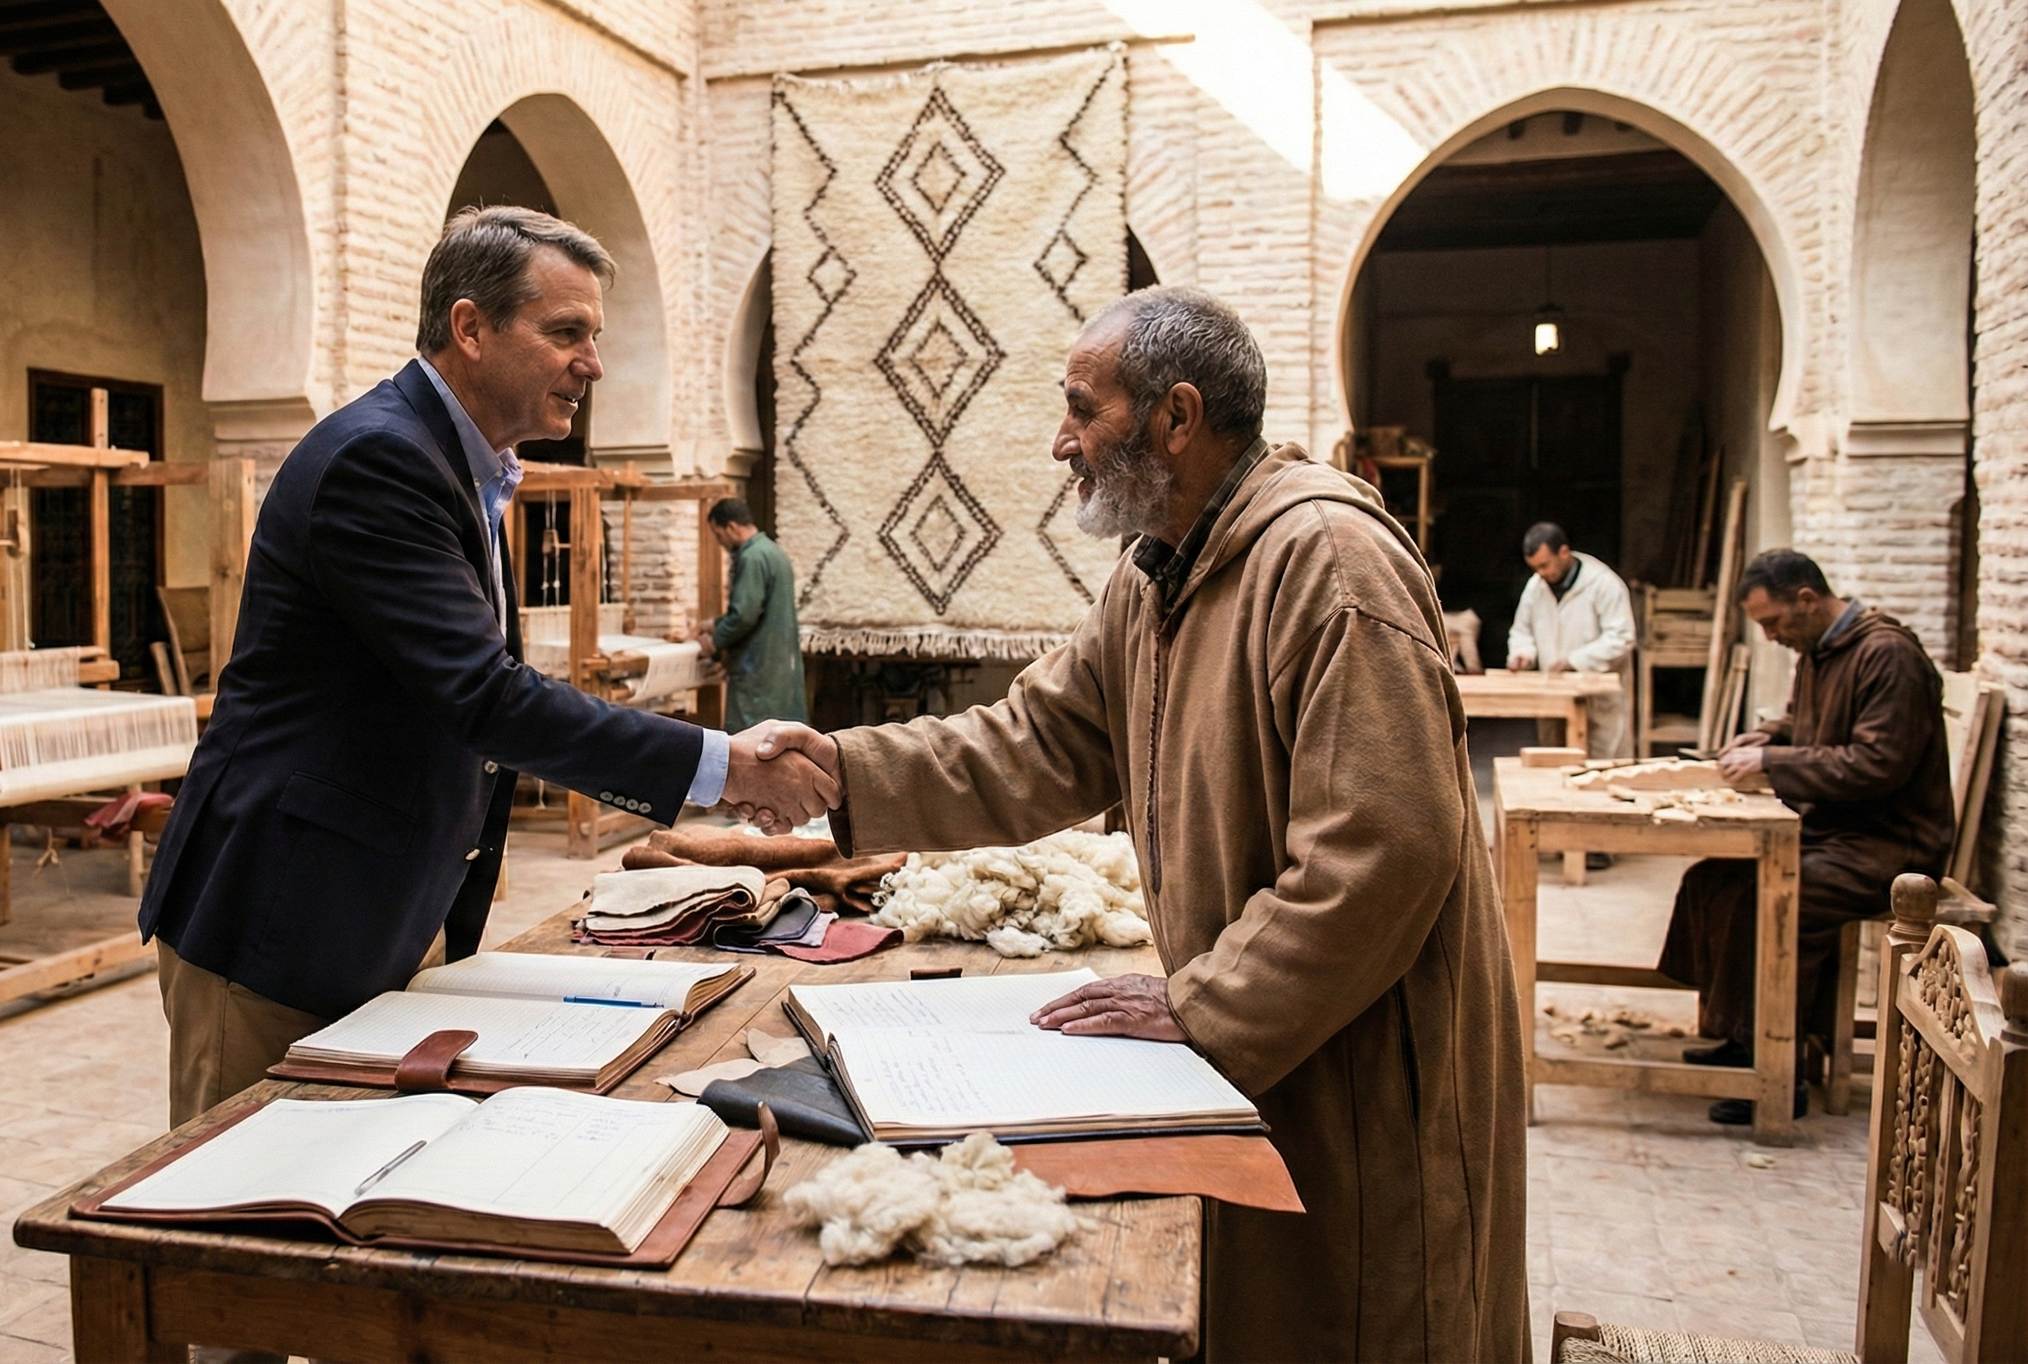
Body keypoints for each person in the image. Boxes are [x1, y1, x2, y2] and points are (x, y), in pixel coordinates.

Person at [747, 286, 1527, 1362]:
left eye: (1083, 409)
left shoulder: (1324, 562)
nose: (1061, 442)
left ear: (1176, 417)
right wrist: (841, 769)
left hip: (1362, 1068)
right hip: (1269, 1045)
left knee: (1368, 1311)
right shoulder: (1156, 570)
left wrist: (1206, 1000)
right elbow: (1037, 741)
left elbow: (1385, 848)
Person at [137, 206, 833, 1126]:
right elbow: (483, 694)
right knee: (238, 1206)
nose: (591, 362)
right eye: (565, 333)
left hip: (370, 903)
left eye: (595, 336)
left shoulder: (459, 462)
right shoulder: (381, 459)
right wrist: (723, 766)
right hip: (282, 917)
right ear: (470, 328)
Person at [1658, 549, 1951, 1125]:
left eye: (1773, 623)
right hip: (1836, 828)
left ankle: (1780, 1072)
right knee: (1714, 877)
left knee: (1775, 899)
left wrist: (1774, 760)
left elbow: (1876, 763)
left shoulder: (1887, 655)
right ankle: (1743, 1038)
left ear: (1808, 600)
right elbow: (1803, 724)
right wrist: (1761, 736)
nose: (1770, 636)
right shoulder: (1820, 650)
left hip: (1890, 845)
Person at [1505, 521, 1635, 759]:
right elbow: (1522, 631)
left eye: (1545, 565)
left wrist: (1575, 660)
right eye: (1535, 568)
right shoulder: (1536, 586)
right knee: (1555, 762)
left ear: (1563, 552)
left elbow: (1622, 637)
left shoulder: (1603, 584)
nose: (1541, 574)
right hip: (1554, 695)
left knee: (1600, 766)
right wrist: (1522, 654)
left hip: (1598, 698)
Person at [683, 498, 807, 730]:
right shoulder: (773, 552)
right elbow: (761, 608)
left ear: (731, 527)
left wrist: (715, 641)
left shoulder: (752, 557)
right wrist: (714, 623)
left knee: (753, 743)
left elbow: (745, 615)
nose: (720, 542)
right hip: (776, 666)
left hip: (757, 670)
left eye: (719, 535)